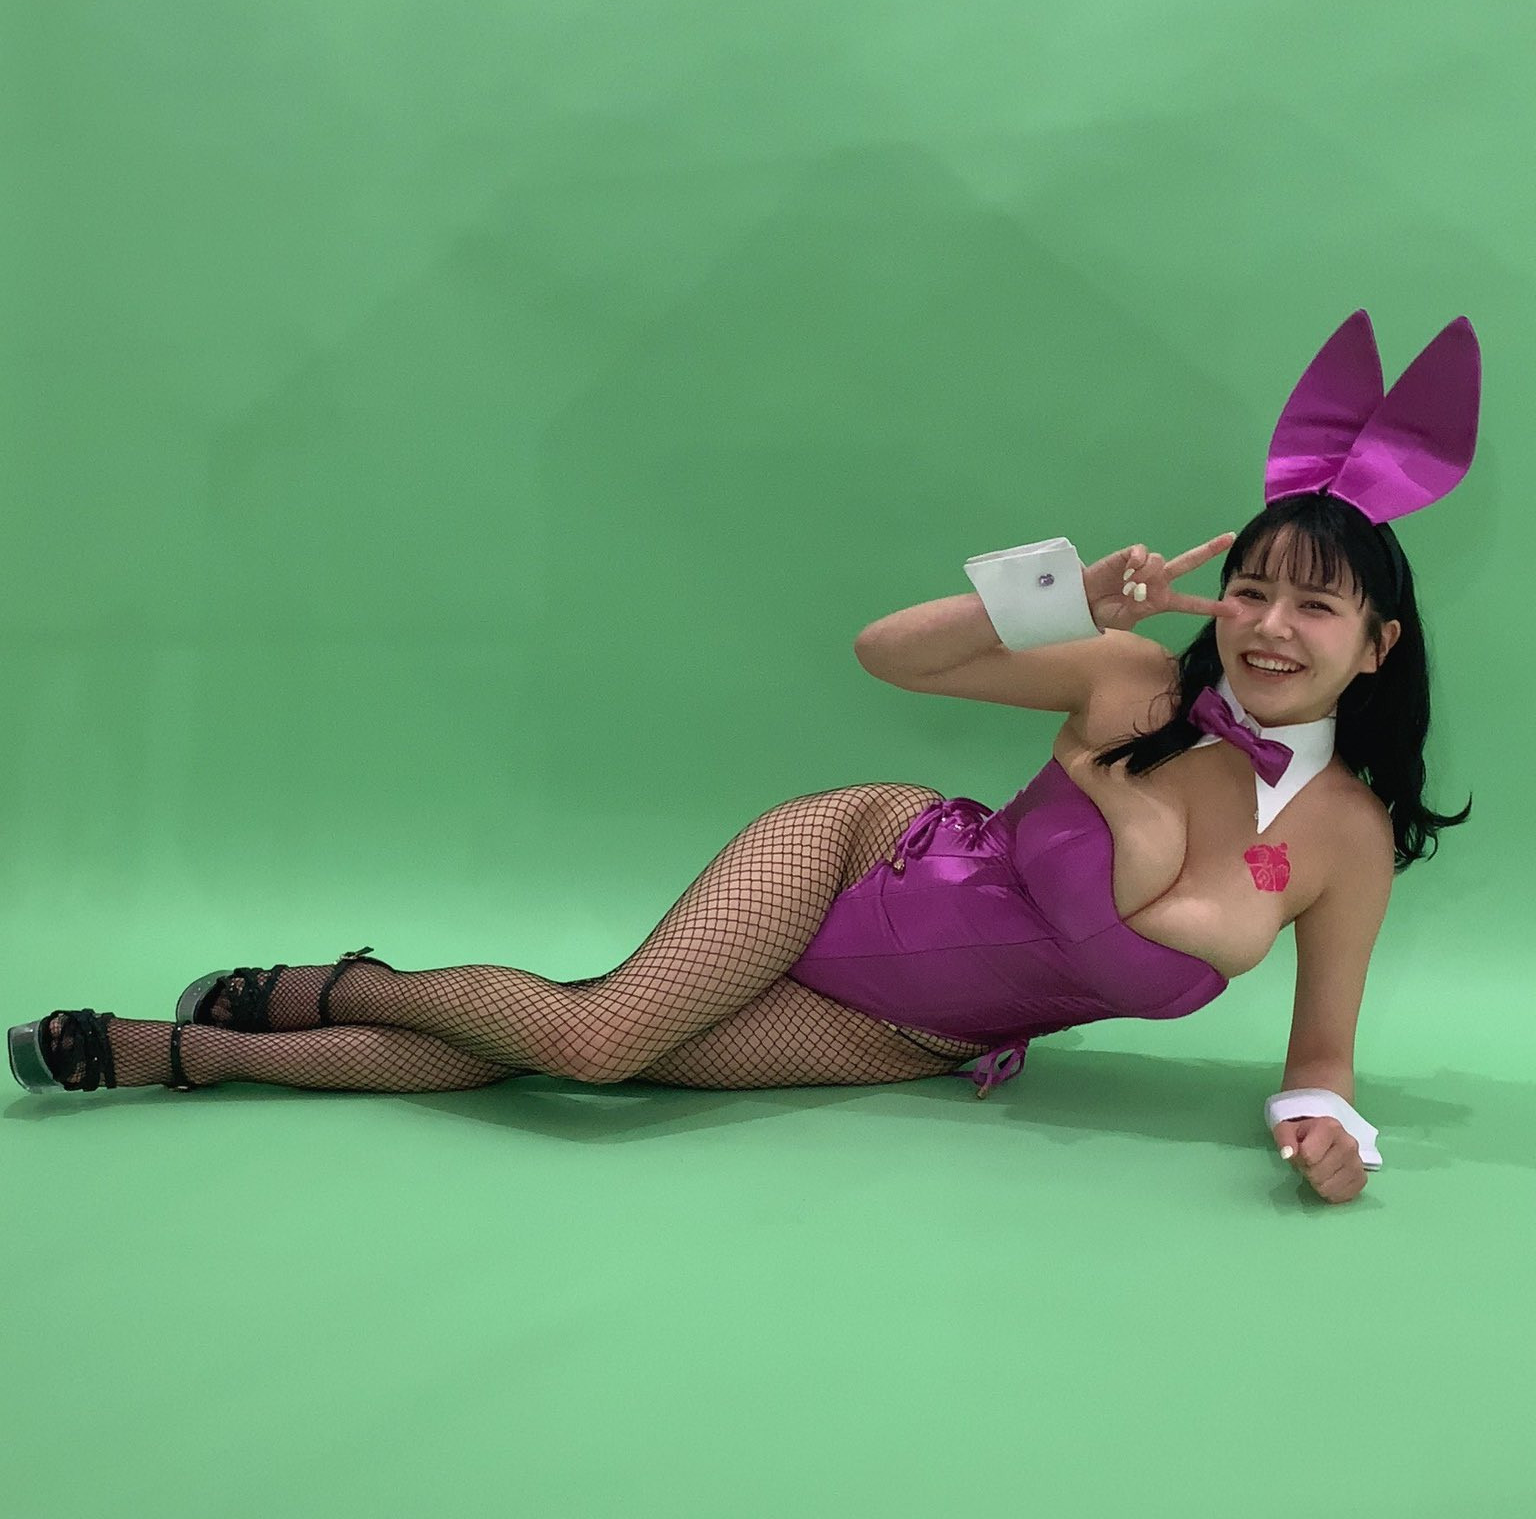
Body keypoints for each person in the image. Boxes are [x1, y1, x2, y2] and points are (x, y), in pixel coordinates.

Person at [9, 311, 1479, 1204]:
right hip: (863, 861)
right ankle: (299, 1004)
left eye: (1315, 606)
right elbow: (890, 654)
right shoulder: (1134, 683)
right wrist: (1067, 597)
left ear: (1378, 646)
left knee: (594, 1074)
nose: (1269, 625)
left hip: (917, 1030)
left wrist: (1327, 1140)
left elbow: (1320, 1065)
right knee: (599, 1036)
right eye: (1254, 589)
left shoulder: (1346, 840)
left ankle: (212, 1043)